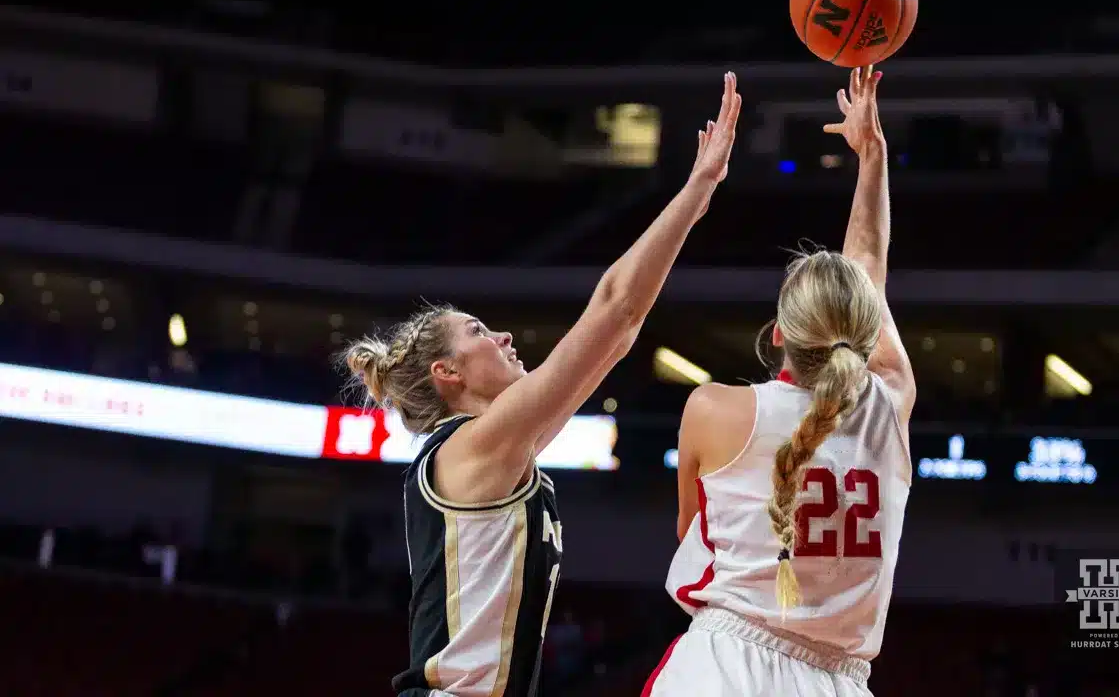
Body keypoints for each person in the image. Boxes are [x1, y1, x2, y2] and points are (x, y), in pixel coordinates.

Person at [342, 73, 742, 697]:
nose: (503, 338)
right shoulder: (473, 448)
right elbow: (615, 309)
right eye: (478, 331)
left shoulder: (501, 449)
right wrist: (696, 191)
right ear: (447, 373)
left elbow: (618, 334)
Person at [644, 65, 915, 697]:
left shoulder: (714, 409)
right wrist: (872, 156)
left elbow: (691, 529)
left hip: (724, 667)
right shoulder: (891, 401)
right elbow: (868, 271)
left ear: (776, 334)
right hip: (840, 682)